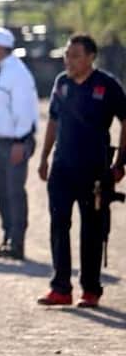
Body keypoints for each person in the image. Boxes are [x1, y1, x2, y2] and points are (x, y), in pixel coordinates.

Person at [36, 35, 126, 308]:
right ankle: (60, 287)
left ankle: (90, 290)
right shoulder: (62, 84)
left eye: (75, 55)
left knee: (92, 231)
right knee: (59, 227)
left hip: (94, 171)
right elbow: (53, 120)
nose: (69, 60)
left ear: (90, 57)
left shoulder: (107, 86)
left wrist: (120, 163)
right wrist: (44, 157)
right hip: (62, 168)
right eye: (67, 54)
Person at [0, 26, 38, 260]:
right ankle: (8, 237)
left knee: (14, 191)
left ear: (0, 48)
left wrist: (20, 141)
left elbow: (24, 111)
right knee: (0, 189)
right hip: (0, 142)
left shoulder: (17, 73)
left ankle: (18, 242)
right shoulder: (0, 71)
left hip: (16, 141)